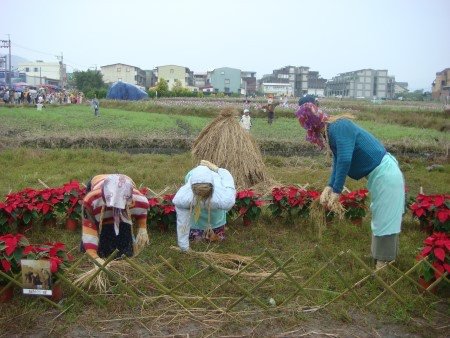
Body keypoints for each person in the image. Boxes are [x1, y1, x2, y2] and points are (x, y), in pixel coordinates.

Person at [295, 96, 405, 270]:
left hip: (387, 174)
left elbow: (346, 160)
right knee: (380, 213)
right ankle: (380, 255)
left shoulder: (339, 126)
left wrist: (337, 191)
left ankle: (384, 262)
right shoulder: (332, 131)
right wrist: (329, 186)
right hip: (380, 175)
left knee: (386, 217)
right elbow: (338, 161)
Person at [81, 174, 150, 266]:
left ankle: (122, 249)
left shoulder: (139, 200)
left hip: (125, 182)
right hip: (97, 184)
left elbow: (141, 212)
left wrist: (142, 228)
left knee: (124, 227)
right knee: (101, 226)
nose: (115, 208)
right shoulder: (92, 200)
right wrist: (94, 256)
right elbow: (89, 229)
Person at [173, 160, 236, 252]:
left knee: (216, 239)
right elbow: (183, 223)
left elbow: (228, 183)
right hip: (196, 223)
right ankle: (201, 232)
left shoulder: (222, 197)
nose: (202, 197)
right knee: (197, 240)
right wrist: (184, 248)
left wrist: (216, 169)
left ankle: (213, 230)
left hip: (216, 220)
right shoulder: (184, 198)